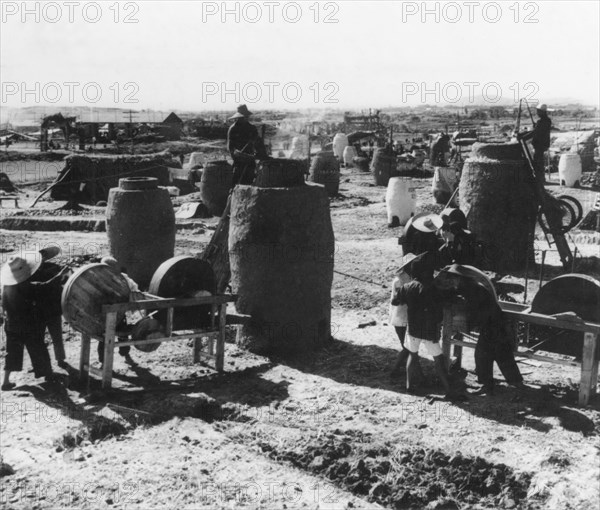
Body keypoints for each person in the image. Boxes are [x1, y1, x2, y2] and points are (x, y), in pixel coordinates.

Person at [436, 264, 524, 395]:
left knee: (483, 355)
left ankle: (488, 386)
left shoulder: (471, 289)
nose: (452, 282)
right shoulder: (469, 286)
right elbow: (454, 292)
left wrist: (473, 323)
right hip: (495, 322)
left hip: (491, 324)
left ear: (459, 279)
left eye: (453, 279)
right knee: (502, 352)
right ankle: (516, 382)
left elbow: (477, 309)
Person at [392, 252, 458, 399]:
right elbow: (447, 300)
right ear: (428, 273)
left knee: (412, 355)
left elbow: (395, 302)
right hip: (429, 331)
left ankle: (409, 387)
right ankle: (448, 391)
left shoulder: (407, 286)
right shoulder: (434, 289)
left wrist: (404, 295)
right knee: (438, 360)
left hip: (413, 328)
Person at [1, 253, 68, 390]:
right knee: (39, 348)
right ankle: (48, 375)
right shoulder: (26, 285)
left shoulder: (6, 287)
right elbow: (45, 287)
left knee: (12, 352)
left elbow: (4, 306)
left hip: (11, 324)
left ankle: (5, 381)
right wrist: (61, 275)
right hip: (28, 324)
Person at [96, 256, 143, 364]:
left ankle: (125, 355)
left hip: (119, 312)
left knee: (123, 334)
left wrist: (133, 294)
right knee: (104, 337)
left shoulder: (123, 278)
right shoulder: (99, 278)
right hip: (106, 313)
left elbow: (134, 288)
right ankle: (103, 362)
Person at [29, 246, 69, 367]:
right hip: (39, 309)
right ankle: (40, 363)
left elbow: (64, 282)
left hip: (52, 309)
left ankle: (60, 360)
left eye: (43, 255)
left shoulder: (54, 268)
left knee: (56, 336)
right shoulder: (30, 272)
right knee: (38, 338)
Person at [389, 254, 424, 380]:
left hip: (406, 316)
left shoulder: (410, 278)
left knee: (409, 347)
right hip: (400, 317)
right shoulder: (400, 280)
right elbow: (398, 300)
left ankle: (396, 370)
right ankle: (419, 376)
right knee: (409, 348)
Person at [227, 104, 268, 186]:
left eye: (246, 116)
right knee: (237, 180)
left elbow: (258, 143)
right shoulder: (233, 129)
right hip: (238, 160)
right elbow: (230, 146)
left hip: (250, 158)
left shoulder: (251, 128)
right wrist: (237, 155)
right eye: (243, 117)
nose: (246, 118)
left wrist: (261, 154)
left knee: (249, 179)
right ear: (239, 117)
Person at [531, 103, 552, 185]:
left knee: (538, 161)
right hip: (543, 144)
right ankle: (541, 178)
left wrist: (535, 127)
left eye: (538, 111)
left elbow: (536, 132)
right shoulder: (547, 120)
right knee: (540, 161)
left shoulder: (541, 122)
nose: (537, 113)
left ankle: (539, 179)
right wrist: (536, 125)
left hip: (539, 145)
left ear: (542, 112)